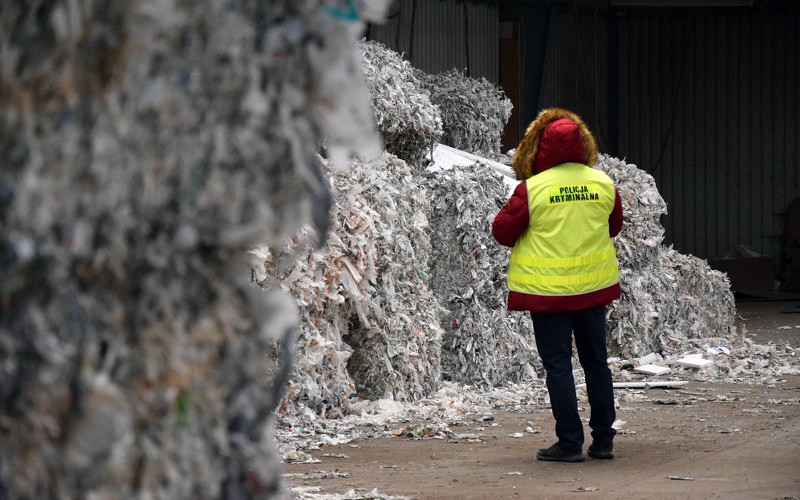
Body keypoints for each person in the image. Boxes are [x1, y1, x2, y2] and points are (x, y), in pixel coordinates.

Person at [492, 108, 623, 463]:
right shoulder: (604, 184)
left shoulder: (533, 190)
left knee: (559, 366)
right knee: (597, 363)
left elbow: (502, 232)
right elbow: (613, 228)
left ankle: (569, 443)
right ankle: (604, 440)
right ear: (583, 146)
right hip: (593, 291)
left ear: (541, 148)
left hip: (548, 296)